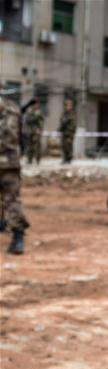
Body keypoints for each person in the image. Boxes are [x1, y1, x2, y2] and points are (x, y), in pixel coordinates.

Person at [1, 97, 28, 254]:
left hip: (9, 163)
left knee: (9, 200)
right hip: (10, 162)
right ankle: (18, 237)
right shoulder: (13, 109)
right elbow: (22, 136)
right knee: (12, 200)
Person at [23, 101, 43, 165]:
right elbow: (27, 120)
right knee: (30, 146)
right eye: (35, 104)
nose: (36, 106)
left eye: (37, 104)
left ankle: (37, 160)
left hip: (36, 131)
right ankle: (29, 160)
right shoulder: (29, 112)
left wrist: (40, 129)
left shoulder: (39, 112)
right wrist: (35, 117)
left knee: (37, 146)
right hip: (30, 131)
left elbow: (41, 122)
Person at [59, 98, 77, 164]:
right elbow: (61, 121)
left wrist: (71, 131)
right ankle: (64, 159)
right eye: (66, 105)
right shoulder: (63, 113)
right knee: (63, 145)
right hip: (64, 132)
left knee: (69, 145)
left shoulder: (72, 114)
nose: (68, 107)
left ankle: (69, 159)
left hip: (70, 133)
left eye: (69, 105)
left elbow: (74, 124)